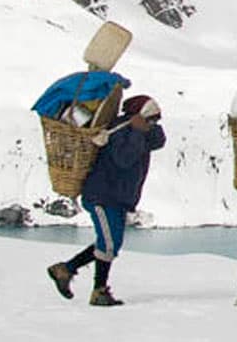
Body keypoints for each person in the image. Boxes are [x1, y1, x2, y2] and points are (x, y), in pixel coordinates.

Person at [46, 95, 166, 307]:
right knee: (109, 244)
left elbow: (159, 141)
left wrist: (144, 127)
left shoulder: (137, 131)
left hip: (117, 197)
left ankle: (66, 270)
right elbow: (124, 158)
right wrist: (137, 130)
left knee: (110, 243)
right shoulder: (119, 131)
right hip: (103, 195)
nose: (154, 125)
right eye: (151, 119)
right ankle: (98, 291)